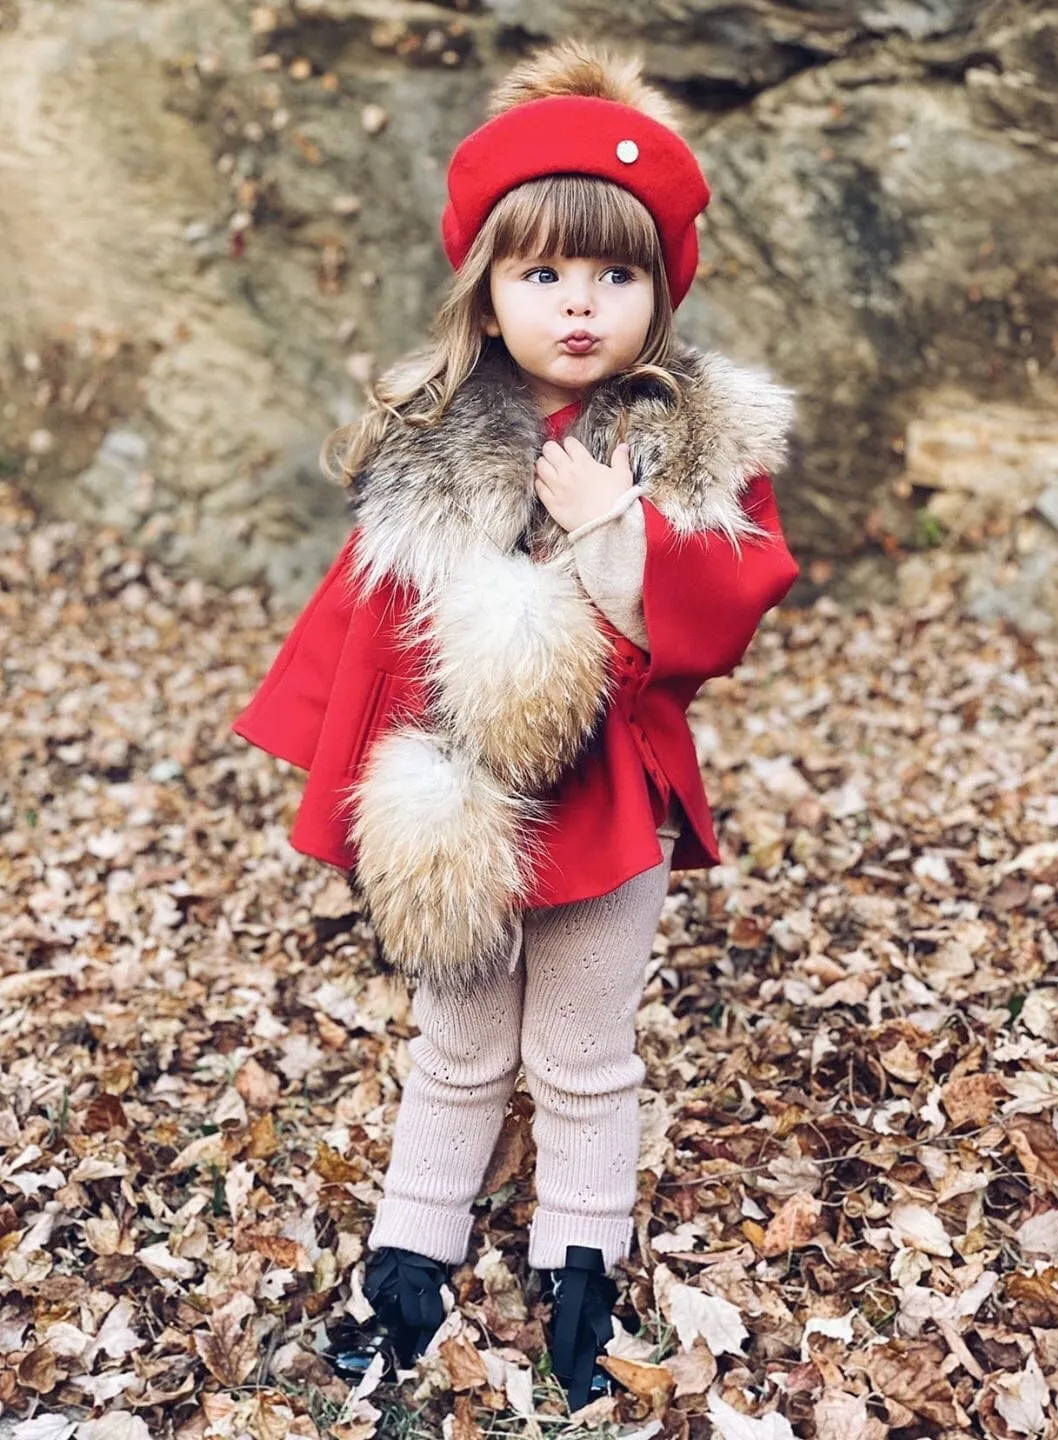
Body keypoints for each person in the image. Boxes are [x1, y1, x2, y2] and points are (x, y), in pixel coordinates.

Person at [232, 39, 799, 1414]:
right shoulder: (436, 437)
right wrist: (344, 763)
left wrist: (623, 535)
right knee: (460, 1040)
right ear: (487, 291)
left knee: (585, 1051)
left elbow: (723, 617)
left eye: (616, 273)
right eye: (542, 272)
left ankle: (579, 1257)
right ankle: (414, 1246)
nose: (581, 304)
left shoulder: (691, 442)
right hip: (458, 799)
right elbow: (364, 631)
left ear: (661, 289)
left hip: (612, 802)